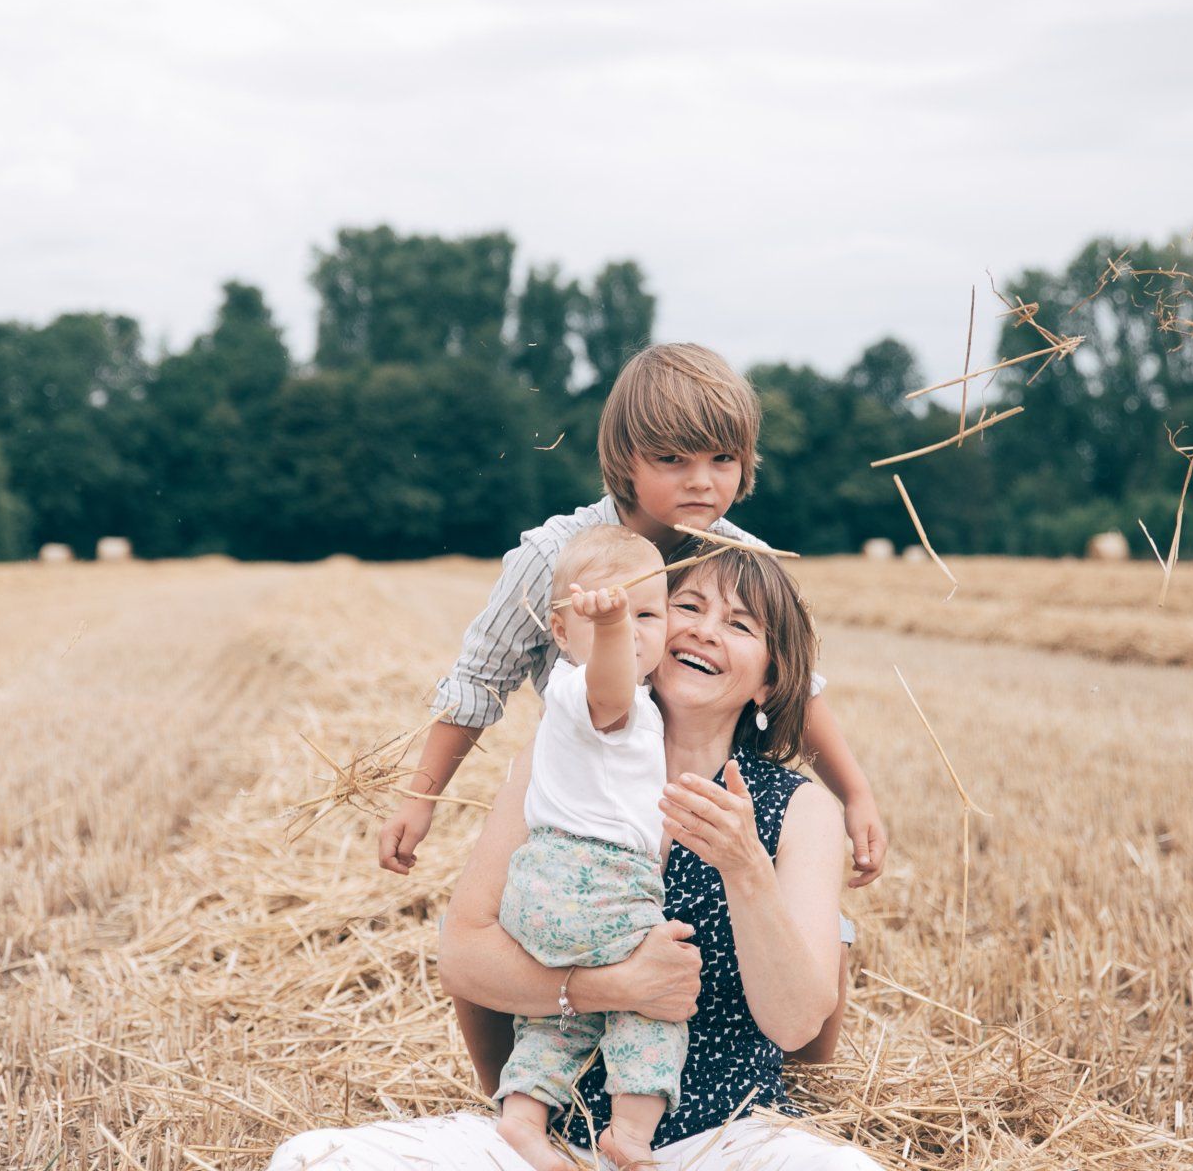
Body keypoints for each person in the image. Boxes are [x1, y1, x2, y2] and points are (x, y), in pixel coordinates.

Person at [270, 551, 883, 1170]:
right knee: (312, 1160)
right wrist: (612, 986)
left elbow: (797, 1024)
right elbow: (463, 957)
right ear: (648, 624)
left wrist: (746, 869)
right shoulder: (557, 759)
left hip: (725, 1137)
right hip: (552, 1140)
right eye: (688, 607)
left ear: (770, 682)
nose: (704, 631)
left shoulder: (799, 808)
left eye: (739, 625)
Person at [378, 343, 889, 891]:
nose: (701, 481)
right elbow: (480, 681)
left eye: (722, 458)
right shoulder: (553, 557)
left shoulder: (743, 562)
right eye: (673, 459)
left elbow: (793, 683)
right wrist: (420, 798)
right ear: (625, 460)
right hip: (587, 813)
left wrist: (855, 794)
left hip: (702, 812)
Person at [493, 525, 679, 1169]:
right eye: (604, 614)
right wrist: (613, 629)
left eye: (648, 614)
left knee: (558, 1021)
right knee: (651, 998)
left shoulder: (617, 706)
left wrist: (606, 622)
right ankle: (630, 1133)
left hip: (543, 884)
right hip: (595, 881)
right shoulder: (581, 689)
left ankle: (522, 1117)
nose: (630, 628)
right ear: (561, 632)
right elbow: (611, 684)